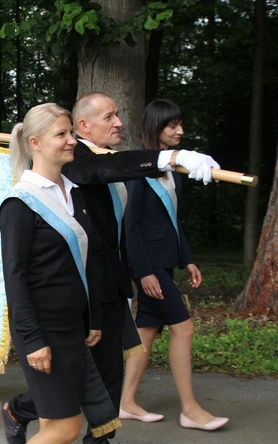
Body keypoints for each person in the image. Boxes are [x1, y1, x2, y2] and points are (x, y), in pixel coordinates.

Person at [0, 92, 220, 444]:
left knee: (104, 390)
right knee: (69, 409)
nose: (119, 122)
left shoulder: (89, 168)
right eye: (110, 116)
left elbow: (122, 211)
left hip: (104, 297)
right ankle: (21, 409)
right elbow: (99, 170)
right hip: (66, 309)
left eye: (118, 114)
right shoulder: (71, 166)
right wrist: (171, 156)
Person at [0, 103, 108, 443]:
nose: (71, 140)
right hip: (43, 330)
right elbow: (14, 277)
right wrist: (32, 340)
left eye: (71, 133)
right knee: (66, 427)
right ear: (34, 143)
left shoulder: (74, 194)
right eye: (61, 134)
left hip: (72, 327)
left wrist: (91, 317)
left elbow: (81, 265)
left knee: (52, 425)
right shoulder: (19, 204)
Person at [119, 99, 229, 431]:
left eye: (180, 123)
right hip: (149, 266)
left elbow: (172, 221)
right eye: (172, 125)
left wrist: (188, 259)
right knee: (184, 328)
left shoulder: (170, 170)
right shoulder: (137, 170)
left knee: (147, 330)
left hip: (165, 262)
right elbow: (130, 226)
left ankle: (125, 403)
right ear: (155, 128)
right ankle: (191, 409)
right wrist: (144, 271)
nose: (180, 131)